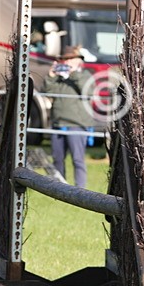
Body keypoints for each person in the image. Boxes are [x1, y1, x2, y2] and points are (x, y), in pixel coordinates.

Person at [41, 45, 94, 187]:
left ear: (79, 60)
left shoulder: (85, 75)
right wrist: (51, 76)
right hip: (58, 123)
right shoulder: (60, 78)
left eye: (71, 59)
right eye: (65, 59)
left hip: (77, 124)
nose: (68, 62)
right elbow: (47, 92)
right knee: (57, 158)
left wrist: (73, 74)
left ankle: (81, 189)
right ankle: (59, 187)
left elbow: (88, 91)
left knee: (78, 159)